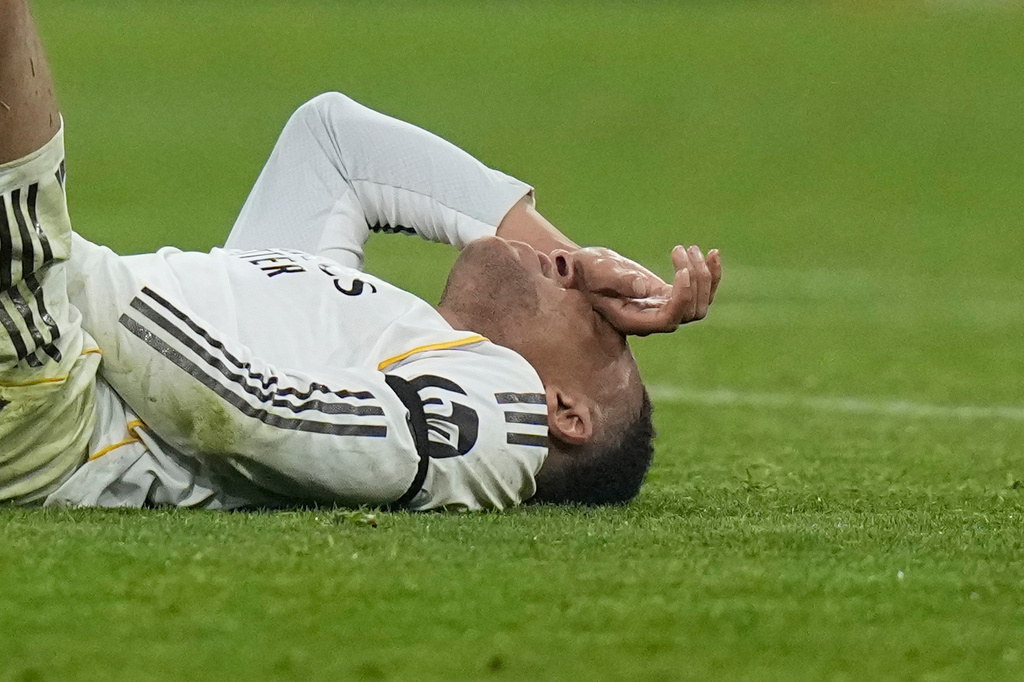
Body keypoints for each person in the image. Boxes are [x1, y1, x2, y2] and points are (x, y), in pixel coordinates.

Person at [0, 0, 721, 511]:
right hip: (48, 325)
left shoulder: (504, 422)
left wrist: (54, 258)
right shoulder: (344, 319)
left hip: (51, 407)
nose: (571, 279)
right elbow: (335, 141)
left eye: (598, 325)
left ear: (563, 412)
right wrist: (570, 254)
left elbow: (256, 411)